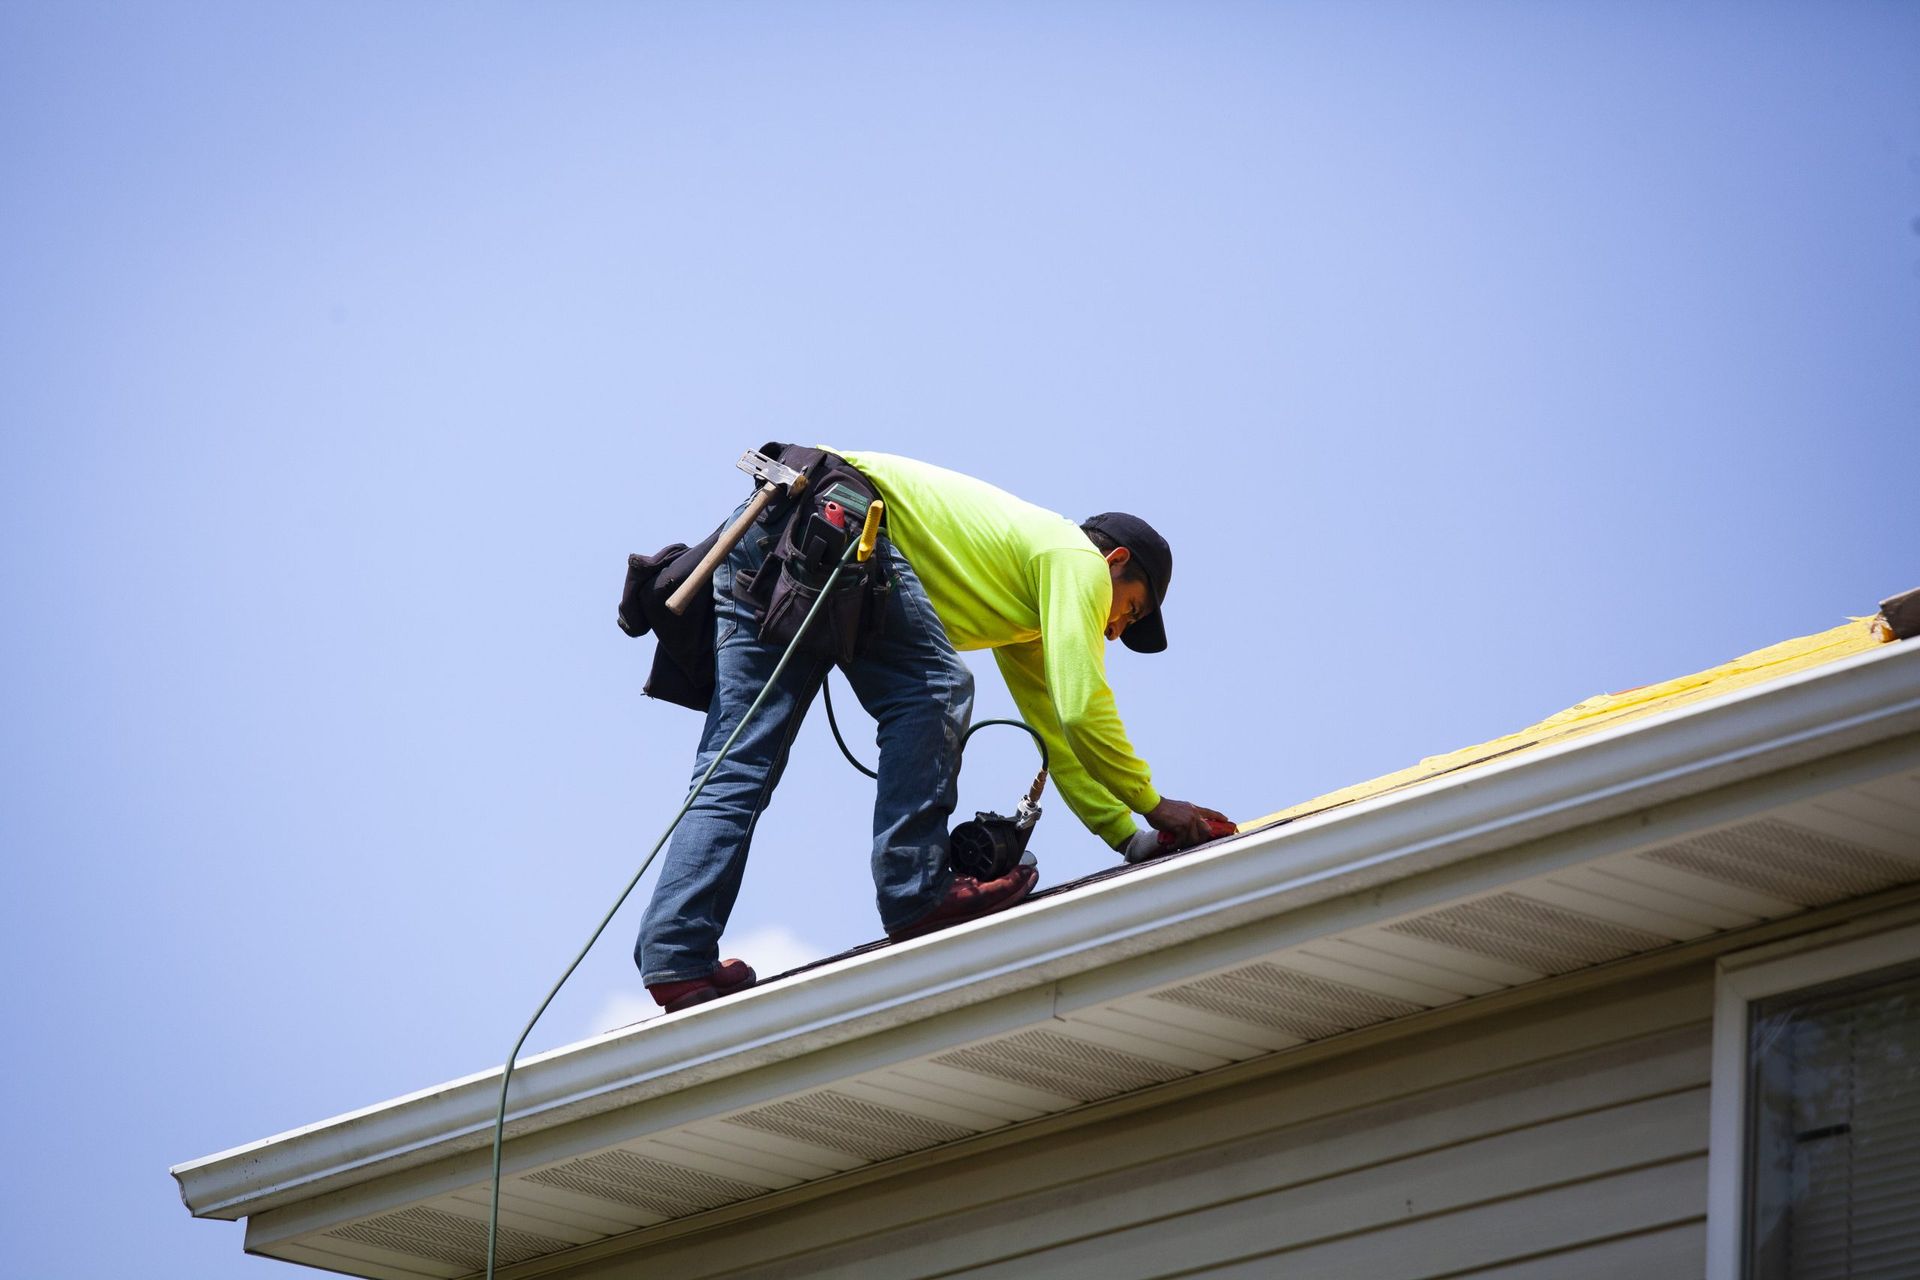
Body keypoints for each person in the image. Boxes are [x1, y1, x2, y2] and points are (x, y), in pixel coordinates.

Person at [635, 448, 1234, 1011]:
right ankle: (915, 891)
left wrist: (1130, 838)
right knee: (937, 689)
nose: (1112, 631)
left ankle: (676, 955)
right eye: (1128, 610)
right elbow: (1084, 709)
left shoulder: (1021, 610)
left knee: (735, 765)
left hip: (772, 530)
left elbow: (1057, 728)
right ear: (1116, 562)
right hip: (840, 519)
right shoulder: (1074, 559)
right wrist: (1156, 805)